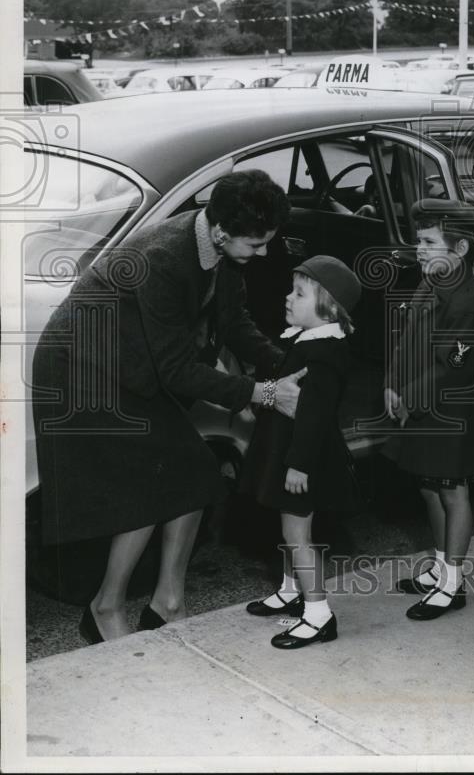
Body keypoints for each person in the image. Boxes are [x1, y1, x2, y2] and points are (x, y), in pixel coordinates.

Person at [32, 170, 305, 643]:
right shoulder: (163, 258)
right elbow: (176, 372)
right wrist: (263, 393)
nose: (263, 254)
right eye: (257, 244)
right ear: (222, 231)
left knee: (195, 476)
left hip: (132, 364)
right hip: (82, 371)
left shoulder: (221, 251)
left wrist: (287, 363)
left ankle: (167, 603)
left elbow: (233, 321)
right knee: (148, 487)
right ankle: (104, 608)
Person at [242, 255, 362, 649]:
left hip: (302, 457)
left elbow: (314, 416)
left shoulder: (325, 354)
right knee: (288, 528)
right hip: (287, 451)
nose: (288, 298)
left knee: (298, 534)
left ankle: (318, 614)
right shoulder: (303, 339)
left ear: (327, 307)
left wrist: (298, 465)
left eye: (299, 293)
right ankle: (290, 588)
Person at [386, 199, 474, 620]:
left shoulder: (468, 300)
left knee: (452, 489)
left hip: (450, 410)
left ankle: (453, 583)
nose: (421, 248)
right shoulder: (431, 283)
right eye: (419, 240)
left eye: (430, 241)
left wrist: (410, 395)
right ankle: (438, 567)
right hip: (420, 405)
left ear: (461, 249)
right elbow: (406, 338)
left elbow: (455, 364)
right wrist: (391, 384)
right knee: (428, 485)